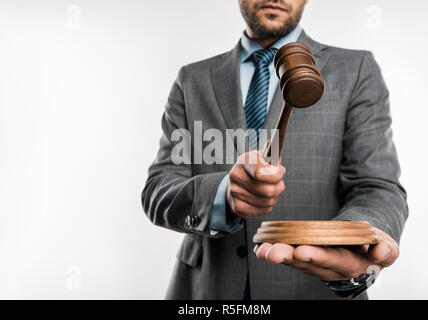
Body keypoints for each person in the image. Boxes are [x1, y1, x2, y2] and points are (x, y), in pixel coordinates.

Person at [141, 0, 408, 299]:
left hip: (309, 290)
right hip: (209, 291)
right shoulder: (192, 79)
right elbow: (158, 190)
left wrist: (350, 240)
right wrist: (223, 195)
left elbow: (376, 185)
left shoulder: (355, 69)